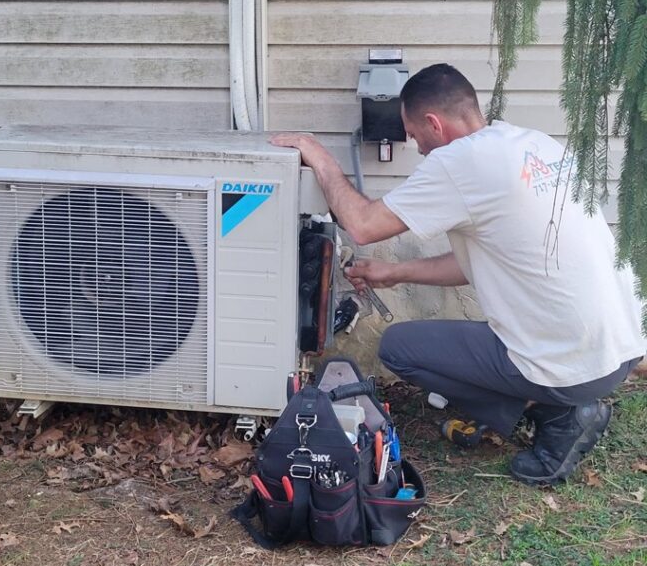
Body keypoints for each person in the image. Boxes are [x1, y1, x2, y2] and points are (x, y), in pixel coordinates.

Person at [272, 63, 645, 486]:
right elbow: (481, 262)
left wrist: (318, 155)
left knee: (398, 348)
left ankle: (560, 416)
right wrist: (394, 271)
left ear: (434, 123)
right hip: (619, 349)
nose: (416, 146)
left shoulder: (458, 161)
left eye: (413, 135)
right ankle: (564, 402)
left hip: (575, 363)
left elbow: (361, 224)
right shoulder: (533, 144)